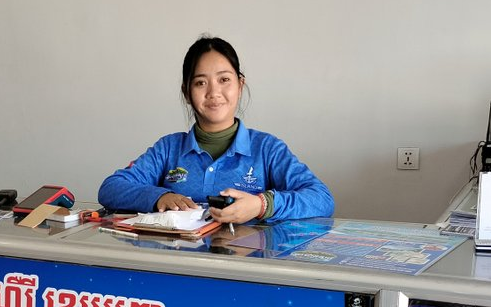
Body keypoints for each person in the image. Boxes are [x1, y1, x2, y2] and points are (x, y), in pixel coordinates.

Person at [98, 36, 334, 225]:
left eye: (224, 80)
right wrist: (160, 197)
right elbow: (111, 188)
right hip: (177, 268)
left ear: (240, 85)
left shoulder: (267, 149)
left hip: (248, 272)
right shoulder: (168, 149)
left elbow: (321, 198)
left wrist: (262, 204)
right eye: (201, 82)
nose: (213, 92)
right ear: (186, 92)